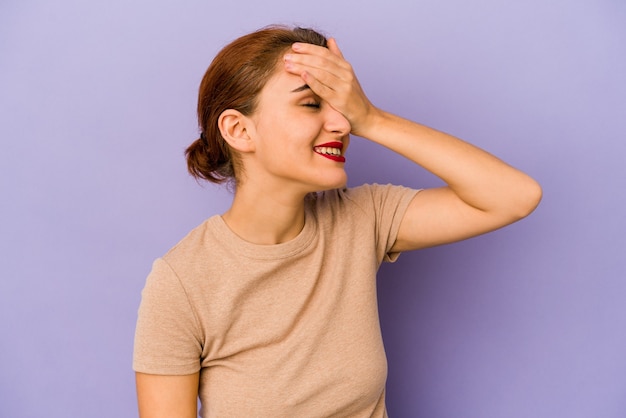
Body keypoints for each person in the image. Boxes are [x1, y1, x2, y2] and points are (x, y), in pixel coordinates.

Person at [133, 25, 542, 418]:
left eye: (342, 108)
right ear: (239, 130)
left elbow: (514, 197)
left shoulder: (363, 218)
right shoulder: (182, 282)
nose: (342, 125)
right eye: (311, 103)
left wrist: (372, 118)